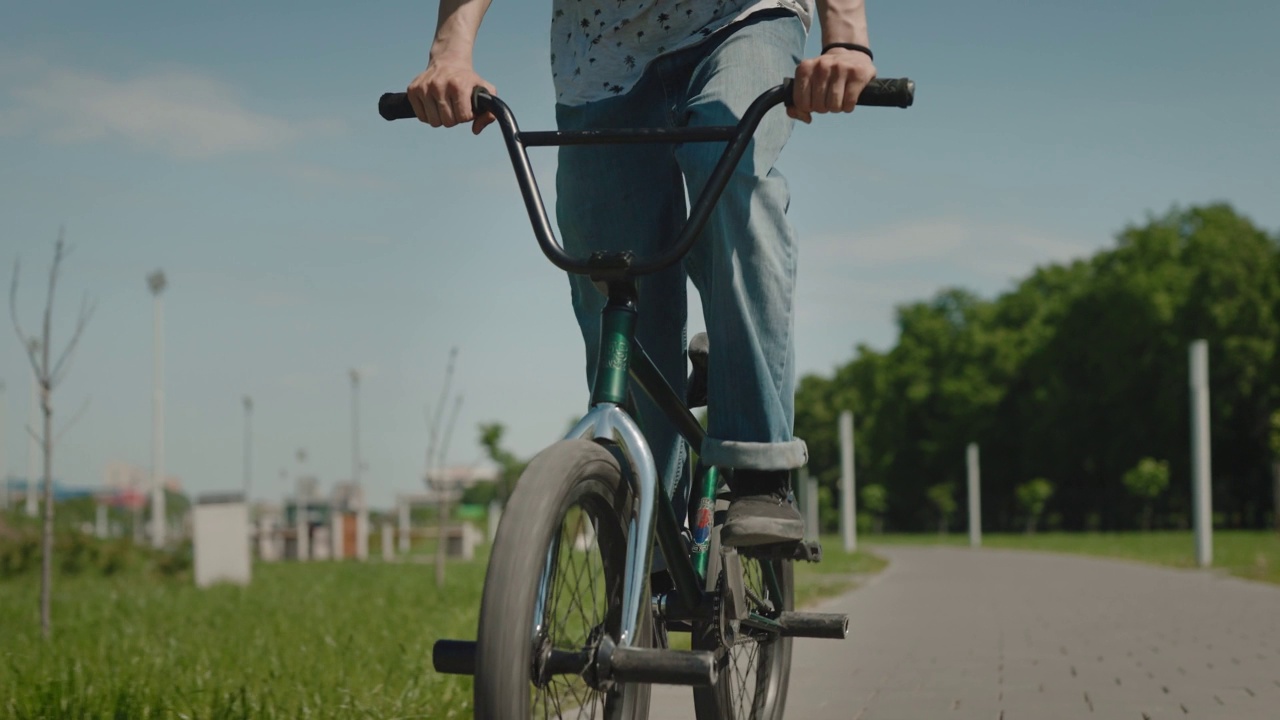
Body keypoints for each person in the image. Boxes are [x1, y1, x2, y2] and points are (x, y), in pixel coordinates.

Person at [407, 0, 877, 547]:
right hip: (598, 52)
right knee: (611, 264)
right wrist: (451, 54)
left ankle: (759, 469)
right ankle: (646, 517)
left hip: (742, 18)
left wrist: (846, 40)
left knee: (726, 171)